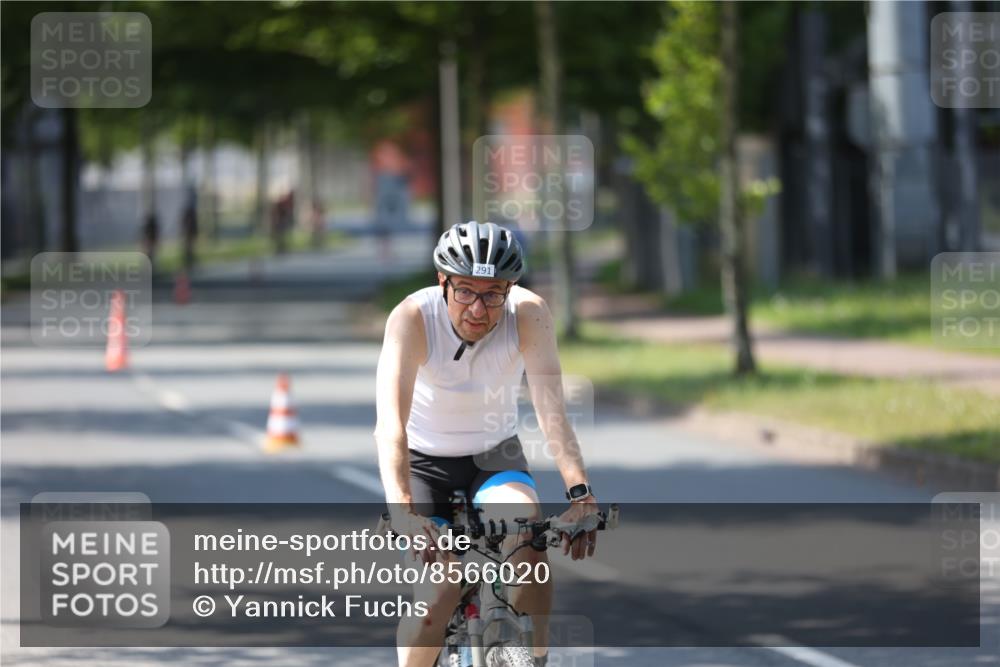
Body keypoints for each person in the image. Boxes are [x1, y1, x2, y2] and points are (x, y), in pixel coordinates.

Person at [374, 221, 599, 667]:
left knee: (529, 540)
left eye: (493, 294)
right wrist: (403, 510)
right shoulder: (413, 318)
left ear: (510, 289)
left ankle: (532, 659)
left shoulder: (529, 314)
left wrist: (580, 492)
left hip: (495, 457)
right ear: (443, 282)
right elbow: (391, 427)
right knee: (439, 592)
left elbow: (551, 412)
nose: (478, 309)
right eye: (465, 292)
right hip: (424, 463)